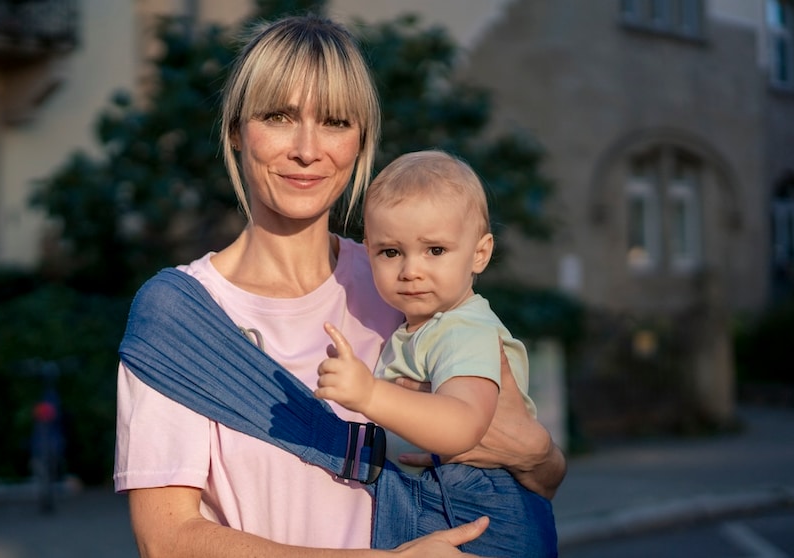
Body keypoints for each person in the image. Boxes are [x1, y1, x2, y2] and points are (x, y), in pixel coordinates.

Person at [114, 15, 566, 558]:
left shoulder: (408, 284)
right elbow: (167, 540)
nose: (307, 149)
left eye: (334, 121)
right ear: (236, 129)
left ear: (360, 141)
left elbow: (535, 473)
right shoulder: (179, 316)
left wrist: (539, 455)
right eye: (279, 116)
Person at [316, 150, 557, 555]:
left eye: (435, 251)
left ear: (479, 254)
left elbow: (461, 426)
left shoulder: (464, 329)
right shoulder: (422, 326)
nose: (411, 270)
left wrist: (369, 394)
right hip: (437, 493)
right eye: (391, 252)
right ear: (368, 249)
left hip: (475, 504)